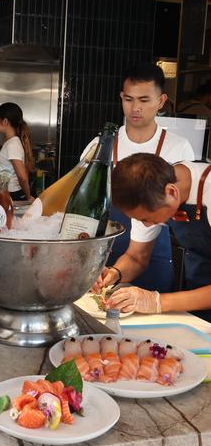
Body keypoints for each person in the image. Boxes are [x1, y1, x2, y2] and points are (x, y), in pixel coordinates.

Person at [81, 63, 194, 293]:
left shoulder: (178, 148)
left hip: (155, 257)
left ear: (161, 101)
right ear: (121, 98)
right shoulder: (100, 147)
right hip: (103, 257)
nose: (135, 108)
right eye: (128, 99)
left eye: (144, 100)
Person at [99, 153, 211, 320]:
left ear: (172, 192)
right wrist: (115, 273)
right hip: (198, 294)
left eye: (146, 219)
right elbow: (136, 257)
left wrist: (156, 301)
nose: (145, 225)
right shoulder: (148, 191)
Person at [0, 102, 35, 201]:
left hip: (13, 195)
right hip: (8, 193)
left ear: (5, 121)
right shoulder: (11, 142)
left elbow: (22, 177)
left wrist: (28, 197)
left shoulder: (13, 144)